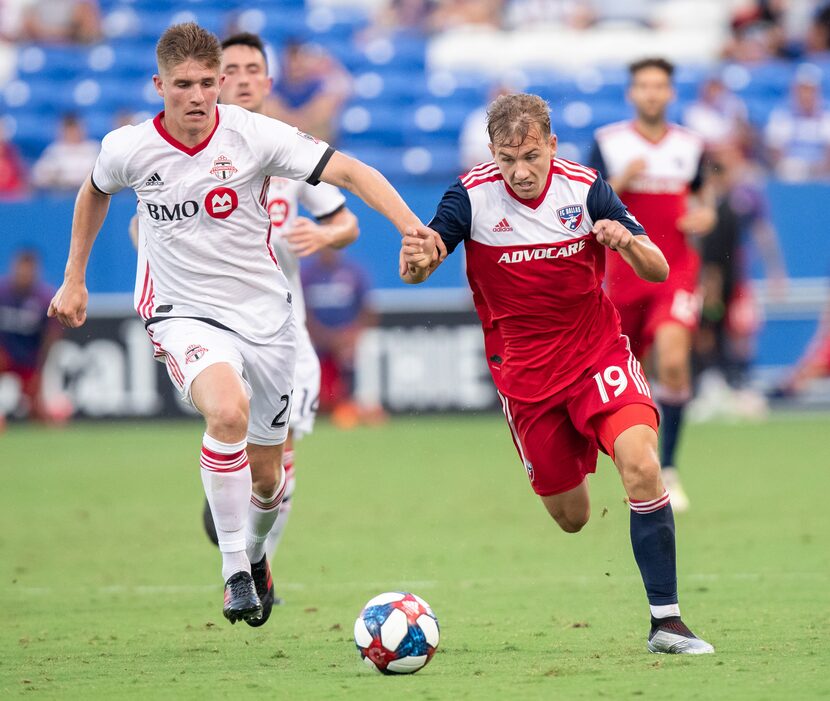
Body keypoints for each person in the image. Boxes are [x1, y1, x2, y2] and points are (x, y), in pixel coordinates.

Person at [48, 22, 436, 627]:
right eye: (184, 85)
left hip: (267, 317)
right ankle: (234, 572)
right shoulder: (128, 147)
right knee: (225, 411)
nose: (198, 96)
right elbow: (94, 191)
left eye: (207, 83)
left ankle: (254, 555)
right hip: (183, 312)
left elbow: (353, 174)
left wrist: (414, 226)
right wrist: (75, 278)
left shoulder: (255, 136)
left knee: (268, 479)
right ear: (159, 85)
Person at [400, 93, 714, 655]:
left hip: (599, 358)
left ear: (552, 145)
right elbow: (426, 260)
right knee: (572, 517)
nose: (519, 172)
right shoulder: (470, 196)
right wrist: (419, 262)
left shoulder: (586, 187)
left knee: (642, 464)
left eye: (530, 157)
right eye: (506, 159)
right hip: (525, 379)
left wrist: (627, 242)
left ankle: (666, 622)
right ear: (492, 153)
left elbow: (658, 266)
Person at [199, 32, 360, 599]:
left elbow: (346, 222)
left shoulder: (293, 152)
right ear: (215, 81)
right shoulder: (193, 155)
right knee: (232, 429)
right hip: (213, 326)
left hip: (282, 333)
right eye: (231, 69)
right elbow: (144, 223)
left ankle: (258, 560)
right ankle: (238, 551)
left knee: (277, 464)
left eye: (252, 69)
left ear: (268, 83)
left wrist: (324, 232)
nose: (242, 78)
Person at [589, 57, 716, 513]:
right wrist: (622, 180)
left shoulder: (690, 145)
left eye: (659, 85)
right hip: (622, 276)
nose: (651, 93)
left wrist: (706, 214)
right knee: (630, 378)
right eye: (642, 85)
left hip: (675, 270)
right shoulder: (609, 143)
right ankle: (639, 467)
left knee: (675, 358)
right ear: (631, 93)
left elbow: (704, 197)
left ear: (670, 93)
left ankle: (672, 466)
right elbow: (589, 200)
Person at [302, 246, 379, 427]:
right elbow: (301, 310)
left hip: (348, 342)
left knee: (360, 355)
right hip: (318, 343)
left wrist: (351, 335)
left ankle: (362, 406)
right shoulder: (307, 275)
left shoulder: (353, 272)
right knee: (320, 391)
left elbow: (369, 309)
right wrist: (325, 337)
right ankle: (325, 408)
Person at [0, 249, 61, 426]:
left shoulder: (44, 298)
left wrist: (39, 368)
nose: (24, 273)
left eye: (29, 269)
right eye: (21, 268)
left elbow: (51, 336)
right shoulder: (2, 293)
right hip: (4, 356)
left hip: (28, 361)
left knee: (37, 412)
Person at [764, 64, 830, 182]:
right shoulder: (782, 115)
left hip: (821, 170)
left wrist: (820, 169)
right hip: (792, 169)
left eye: (810, 90)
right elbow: (776, 151)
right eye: (802, 90)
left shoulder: (826, 116)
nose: (806, 95)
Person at [31, 113, 100, 192]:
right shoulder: (54, 151)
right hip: (61, 194)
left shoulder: (93, 149)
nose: (73, 133)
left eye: (75, 129)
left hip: (89, 193)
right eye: (69, 130)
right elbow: (39, 177)